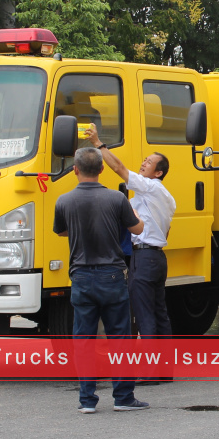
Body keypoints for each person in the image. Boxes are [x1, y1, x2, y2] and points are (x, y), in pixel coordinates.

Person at [52, 146, 149, 414]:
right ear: (102, 170)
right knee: (120, 337)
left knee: (83, 340)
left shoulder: (64, 201)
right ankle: (123, 397)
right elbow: (138, 229)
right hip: (112, 275)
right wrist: (135, 213)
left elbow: (61, 231)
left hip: (81, 276)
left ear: (75, 170)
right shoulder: (117, 199)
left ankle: (87, 400)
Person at [86, 125, 177, 385]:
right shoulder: (163, 197)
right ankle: (163, 371)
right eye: (144, 160)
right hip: (156, 257)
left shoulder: (150, 187)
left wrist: (98, 143)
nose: (143, 163)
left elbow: (118, 168)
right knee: (160, 314)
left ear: (158, 173)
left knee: (145, 314)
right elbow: (166, 229)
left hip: (145, 257)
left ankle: (149, 373)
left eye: (149, 163)